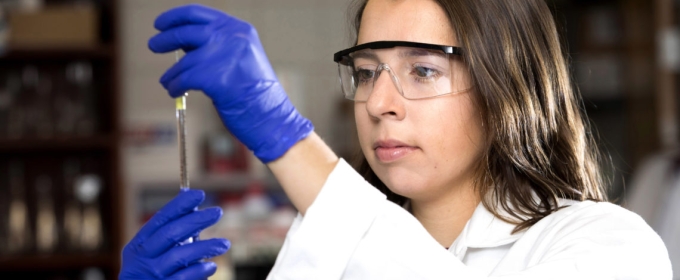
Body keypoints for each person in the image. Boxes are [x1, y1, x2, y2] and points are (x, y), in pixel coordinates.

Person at [119, 0, 673, 279]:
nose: (379, 102)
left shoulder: (608, 247)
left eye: (423, 70)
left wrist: (287, 140)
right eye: (366, 72)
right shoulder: (324, 248)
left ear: (507, 85)